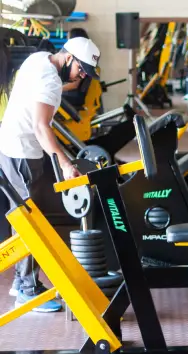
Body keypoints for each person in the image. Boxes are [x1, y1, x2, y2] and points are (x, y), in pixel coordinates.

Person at [0, 37, 100, 312]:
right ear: (69, 58)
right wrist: (66, 164)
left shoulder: (38, 59)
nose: (81, 79)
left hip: (11, 147)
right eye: (81, 71)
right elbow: (42, 127)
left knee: (25, 216)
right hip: (22, 152)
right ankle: (26, 289)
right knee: (29, 220)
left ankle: (21, 281)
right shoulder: (51, 82)